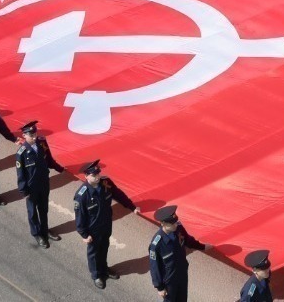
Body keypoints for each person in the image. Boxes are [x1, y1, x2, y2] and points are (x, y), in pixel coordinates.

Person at [74, 160, 138, 289]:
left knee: (104, 247)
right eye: (93, 175)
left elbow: (119, 195)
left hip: (106, 224)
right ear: (86, 176)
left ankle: (104, 268)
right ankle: (96, 275)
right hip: (93, 229)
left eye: (98, 174)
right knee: (94, 252)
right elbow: (80, 217)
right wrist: (84, 234)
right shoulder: (82, 195)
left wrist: (132, 207)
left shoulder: (105, 183)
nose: (97, 177)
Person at [15, 121, 64, 248]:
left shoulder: (41, 143)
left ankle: (45, 230)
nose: (34, 137)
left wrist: (59, 168)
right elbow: (21, 174)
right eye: (31, 135)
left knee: (43, 208)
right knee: (32, 211)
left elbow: (48, 159)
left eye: (35, 134)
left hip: (43, 182)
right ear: (24, 135)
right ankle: (37, 234)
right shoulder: (21, 153)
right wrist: (23, 191)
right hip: (31, 187)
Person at [147, 205, 204, 302]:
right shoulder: (157, 244)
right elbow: (154, 267)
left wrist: (202, 247)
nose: (175, 225)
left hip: (182, 273)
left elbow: (188, 240)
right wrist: (160, 287)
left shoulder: (178, 228)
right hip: (169, 280)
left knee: (182, 298)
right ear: (163, 223)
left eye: (175, 222)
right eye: (172, 223)